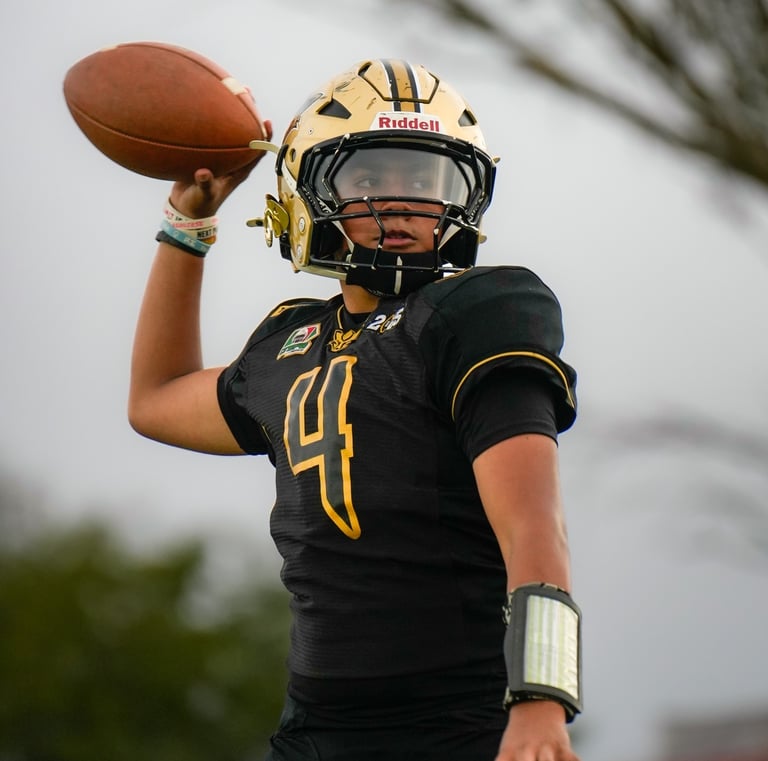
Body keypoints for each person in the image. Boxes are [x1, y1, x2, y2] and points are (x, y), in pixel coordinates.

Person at [129, 58, 582, 761]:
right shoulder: (289, 342)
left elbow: (534, 524)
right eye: (368, 179)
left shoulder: (475, 314)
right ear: (307, 191)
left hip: (458, 727)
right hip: (313, 731)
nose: (398, 203)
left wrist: (540, 700)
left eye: (423, 180)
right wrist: (188, 223)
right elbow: (155, 397)